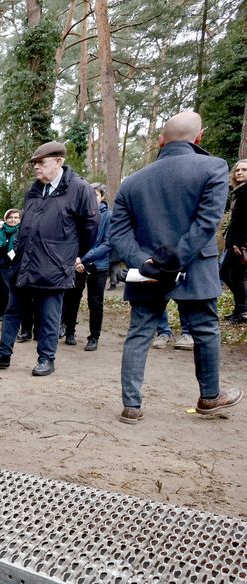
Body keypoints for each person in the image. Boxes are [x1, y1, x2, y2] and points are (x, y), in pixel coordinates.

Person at [109, 110, 241, 424]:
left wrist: (148, 264)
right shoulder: (214, 167)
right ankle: (209, 397)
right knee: (206, 331)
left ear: (160, 140)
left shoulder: (133, 181)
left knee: (139, 334)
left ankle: (132, 405)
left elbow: (118, 234)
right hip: (195, 266)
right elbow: (207, 223)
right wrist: (176, 261)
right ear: (200, 137)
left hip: (148, 272)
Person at [0, 141, 99, 376]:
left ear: (58, 162)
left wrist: (71, 254)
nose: (36, 167)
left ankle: (47, 358)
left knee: (49, 313)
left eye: (41, 163)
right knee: (13, 310)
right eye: (34, 163)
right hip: (25, 260)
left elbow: (90, 227)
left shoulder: (79, 188)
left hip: (55, 264)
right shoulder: (34, 190)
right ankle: (3, 354)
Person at [61, 182, 112, 351]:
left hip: (99, 265)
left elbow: (108, 243)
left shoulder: (109, 216)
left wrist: (84, 258)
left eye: (96, 195)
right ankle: (69, 332)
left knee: (95, 301)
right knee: (72, 297)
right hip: (77, 263)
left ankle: (94, 337)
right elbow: (72, 238)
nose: (92, 198)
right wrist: (76, 259)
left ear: (102, 197)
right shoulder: (80, 214)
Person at [219, 159, 247, 323]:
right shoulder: (239, 191)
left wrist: (242, 243)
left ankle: (243, 311)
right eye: (237, 170)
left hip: (239, 243)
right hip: (233, 242)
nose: (239, 172)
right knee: (233, 275)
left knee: (233, 275)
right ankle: (240, 310)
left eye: (244, 170)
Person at [0, 208, 21, 320]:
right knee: (1, 290)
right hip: (0, 266)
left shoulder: (21, 232)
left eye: (16, 217)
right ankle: (0, 313)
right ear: (6, 219)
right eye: (10, 217)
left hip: (16, 265)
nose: (13, 220)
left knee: (13, 290)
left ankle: (13, 313)